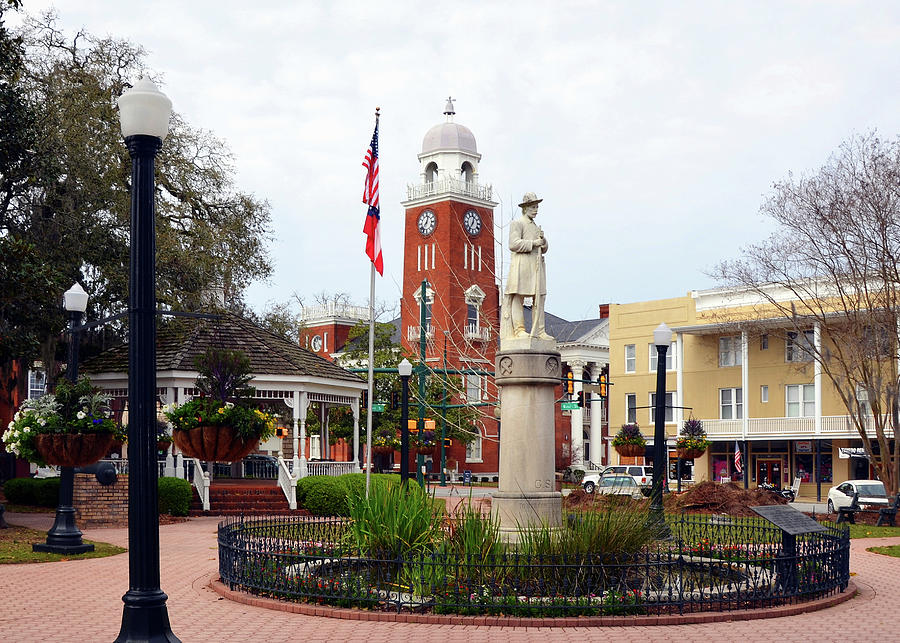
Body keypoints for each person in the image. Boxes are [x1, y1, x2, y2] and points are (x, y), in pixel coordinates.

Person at [503, 192, 553, 340]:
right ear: (525, 208)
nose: (536, 210)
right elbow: (513, 244)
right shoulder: (517, 223)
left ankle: (539, 331)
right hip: (522, 264)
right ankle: (519, 329)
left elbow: (544, 248)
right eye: (533, 207)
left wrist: (543, 241)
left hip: (537, 265)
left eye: (537, 206)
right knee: (519, 297)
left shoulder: (536, 226)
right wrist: (533, 244)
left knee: (539, 297)